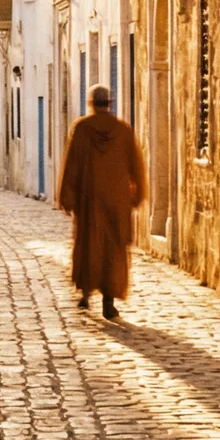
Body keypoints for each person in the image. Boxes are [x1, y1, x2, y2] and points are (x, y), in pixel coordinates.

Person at [56, 85, 145, 320]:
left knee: (88, 245)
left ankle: (86, 292)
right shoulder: (123, 130)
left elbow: (71, 164)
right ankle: (109, 300)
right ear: (110, 103)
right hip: (117, 201)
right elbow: (136, 166)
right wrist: (137, 195)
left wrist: (66, 196)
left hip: (89, 200)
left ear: (91, 103)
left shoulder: (82, 128)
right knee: (113, 250)